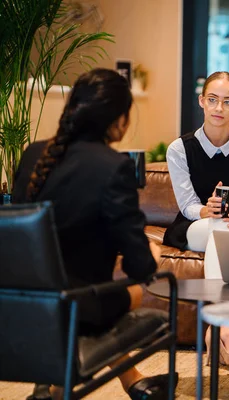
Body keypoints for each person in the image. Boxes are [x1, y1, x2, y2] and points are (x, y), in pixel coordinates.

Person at [12, 69, 175, 400]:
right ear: (118, 120)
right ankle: (62, 388)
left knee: (90, 292)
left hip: (19, 305)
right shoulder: (114, 167)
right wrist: (153, 255)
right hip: (74, 308)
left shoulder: (33, 155)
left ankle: (125, 383)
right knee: (134, 294)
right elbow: (139, 268)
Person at [163, 71, 229, 368]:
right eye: (212, 100)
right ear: (202, 102)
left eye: (227, 101)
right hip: (194, 226)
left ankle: (218, 331)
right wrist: (206, 211)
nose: (218, 108)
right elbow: (186, 205)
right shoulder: (180, 149)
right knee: (221, 229)